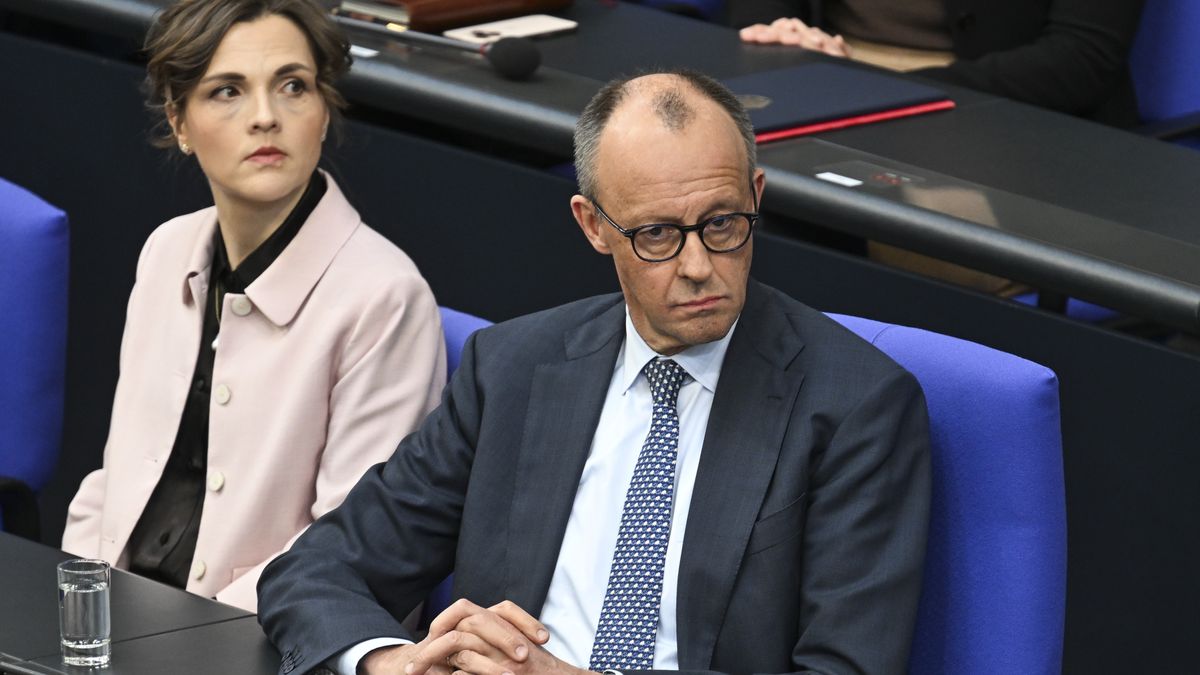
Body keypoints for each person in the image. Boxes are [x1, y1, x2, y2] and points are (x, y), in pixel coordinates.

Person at [257, 69, 932, 675]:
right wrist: (394, 664)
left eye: (723, 223)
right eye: (657, 234)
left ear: (756, 195)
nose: (699, 265)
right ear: (593, 225)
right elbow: (316, 573)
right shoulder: (514, 368)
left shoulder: (855, 405)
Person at [60, 0, 446, 612]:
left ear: (324, 112)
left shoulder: (386, 297)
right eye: (227, 91)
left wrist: (187, 641)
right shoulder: (167, 249)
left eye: (293, 86)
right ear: (180, 123)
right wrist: (79, 606)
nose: (266, 117)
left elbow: (346, 549)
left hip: (262, 633)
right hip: (121, 618)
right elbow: (116, 477)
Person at [732, 0, 1146, 128]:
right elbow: (756, 14)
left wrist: (867, 87)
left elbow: (1082, 59)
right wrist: (785, 39)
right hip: (824, 76)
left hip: (999, 113)